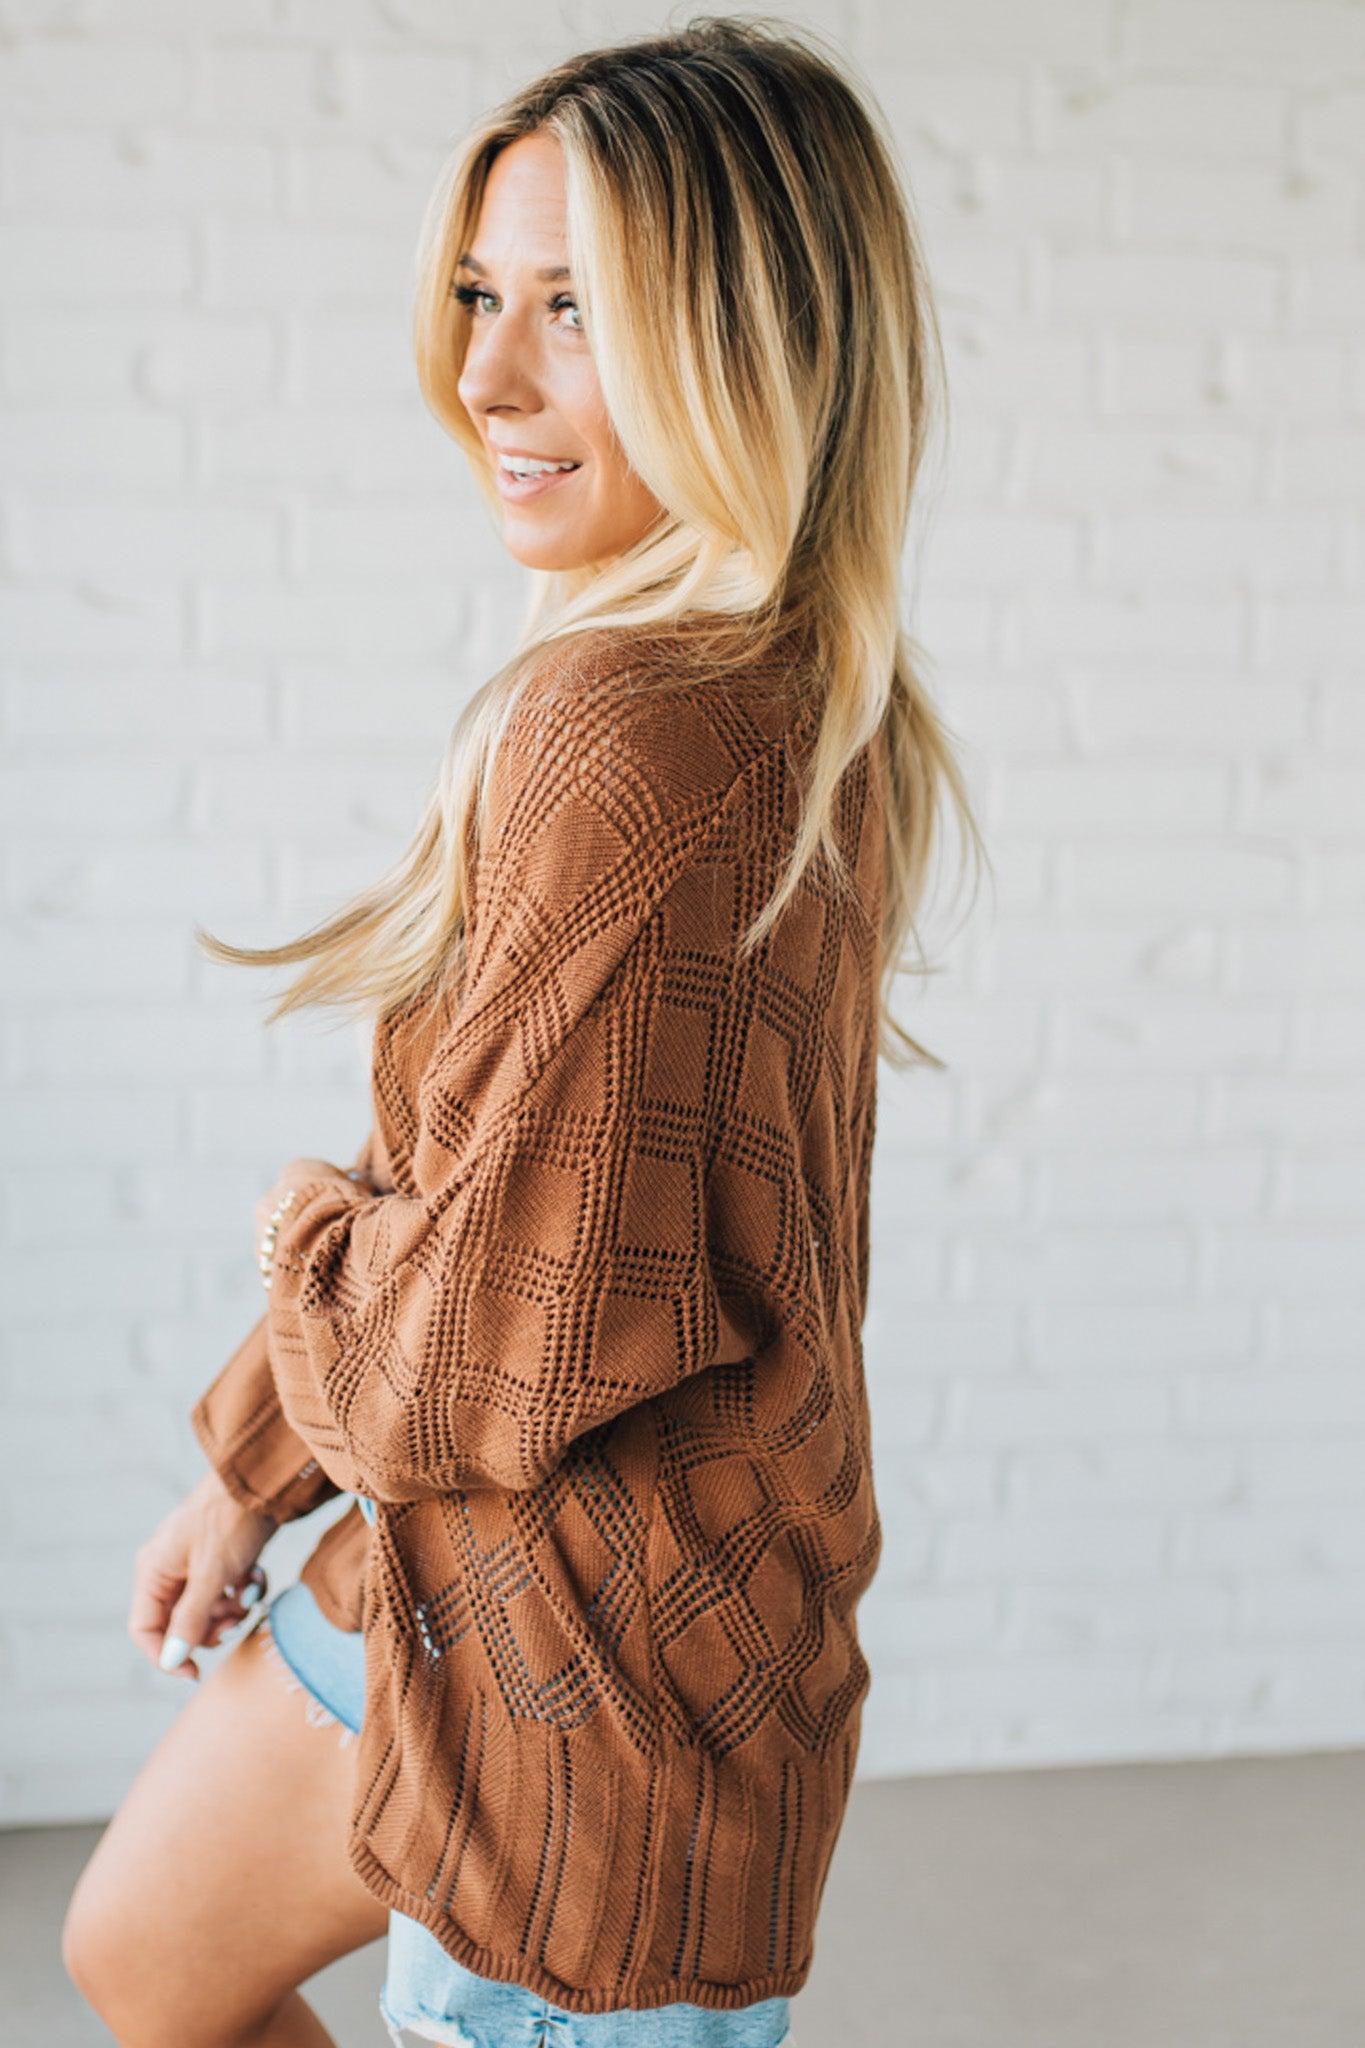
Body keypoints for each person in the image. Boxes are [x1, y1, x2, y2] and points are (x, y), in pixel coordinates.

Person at [62, 17, 986, 2048]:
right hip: (461, 1574)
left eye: (573, 311)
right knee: (142, 1952)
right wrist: (252, 1467)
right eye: (484, 295)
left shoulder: (641, 731)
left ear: (746, 344)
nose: (481, 376)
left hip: (600, 1693)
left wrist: (295, 1234)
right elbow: (497, 1195)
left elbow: (475, 1336)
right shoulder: (784, 698)